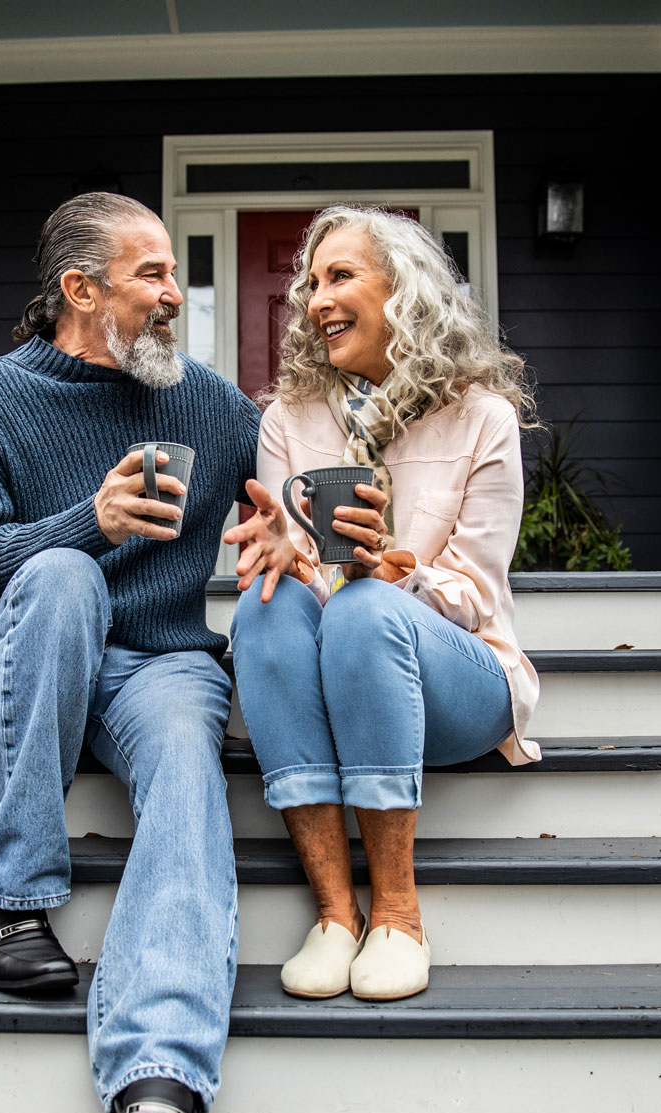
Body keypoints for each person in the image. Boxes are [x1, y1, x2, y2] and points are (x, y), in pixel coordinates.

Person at [0, 192, 260, 1113]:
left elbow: (288, 482)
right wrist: (90, 521)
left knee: (185, 759)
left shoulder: (208, 405)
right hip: (27, 642)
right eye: (152, 274)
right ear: (80, 289)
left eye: (172, 275)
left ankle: (156, 1082)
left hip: (157, 661)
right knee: (67, 578)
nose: (174, 295)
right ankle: (13, 897)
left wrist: (291, 529)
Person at [223, 205, 541, 1003]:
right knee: (263, 608)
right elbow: (297, 592)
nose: (315, 300)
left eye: (339, 277)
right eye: (309, 284)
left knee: (366, 608)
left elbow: (474, 593)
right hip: (341, 670)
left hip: (459, 680)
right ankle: (336, 914)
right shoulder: (288, 420)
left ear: (404, 291)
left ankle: (398, 912)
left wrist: (392, 570)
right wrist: (289, 557)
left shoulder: (483, 418)